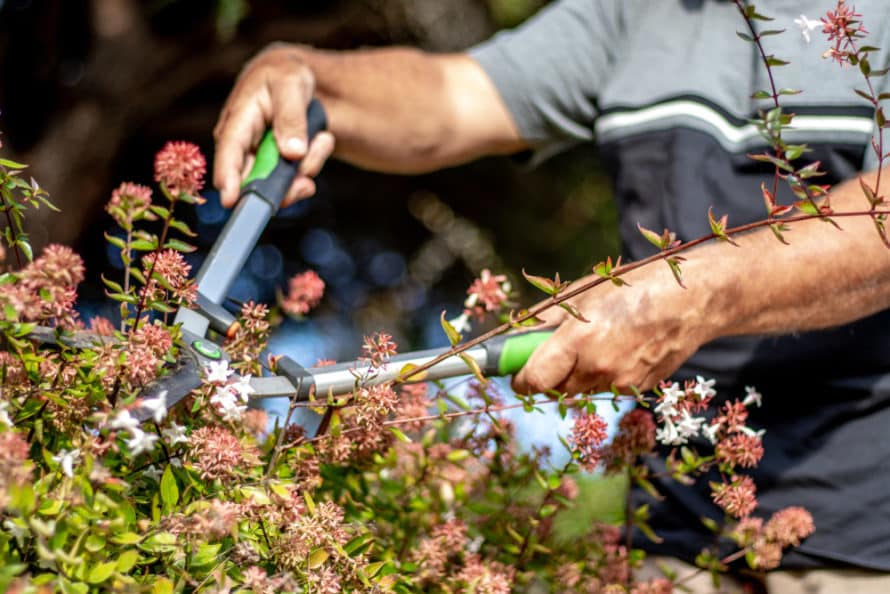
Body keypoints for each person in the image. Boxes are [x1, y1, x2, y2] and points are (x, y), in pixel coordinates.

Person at [213, 0, 890, 591]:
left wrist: (690, 292)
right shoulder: (634, 12)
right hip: (674, 536)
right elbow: (452, 98)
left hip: (865, 537)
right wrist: (310, 76)